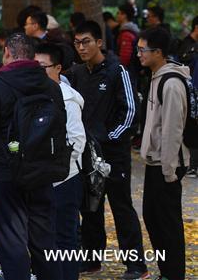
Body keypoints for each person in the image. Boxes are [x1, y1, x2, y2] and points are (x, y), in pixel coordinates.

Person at [0, 33, 65, 280]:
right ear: (32, 56)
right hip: (43, 172)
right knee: (45, 242)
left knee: (11, 244)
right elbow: (60, 128)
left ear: (8, 53)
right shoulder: (52, 87)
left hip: (5, 172)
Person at [69, 21, 147, 279]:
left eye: (87, 41)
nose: (82, 47)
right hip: (85, 155)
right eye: (77, 42)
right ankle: (91, 260)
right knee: (89, 208)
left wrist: (109, 138)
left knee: (121, 208)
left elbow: (131, 113)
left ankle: (137, 266)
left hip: (114, 155)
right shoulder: (76, 74)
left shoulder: (117, 71)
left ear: (99, 42)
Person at [137, 28, 190, 280]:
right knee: (152, 218)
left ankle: (174, 274)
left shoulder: (170, 83)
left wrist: (169, 171)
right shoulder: (156, 76)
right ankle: (167, 272)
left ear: (158, 52)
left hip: (167, 165)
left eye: (142, 50)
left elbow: (172, 130)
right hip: (155, 163)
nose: (138, 54)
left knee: (168, 225)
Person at [35, 43, 86, 280]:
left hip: (65, 179)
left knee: (65, 238)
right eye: (34, 66)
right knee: (45, 239)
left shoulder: (67, 99)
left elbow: (77, 141)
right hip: (41, 179)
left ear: (58, 68)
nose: (37, 71)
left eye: (42, 67)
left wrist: (58, 171)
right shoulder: (35, 94)